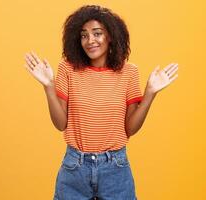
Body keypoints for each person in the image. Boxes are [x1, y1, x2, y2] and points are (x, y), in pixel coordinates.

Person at [24, 5, 178, 200]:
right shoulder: (67, 69)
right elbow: (60, 124)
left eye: (97, 34)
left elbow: (130, 128)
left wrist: (150, 94)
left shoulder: (129, 72)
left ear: (111, 36)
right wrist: (48, 86)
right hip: (75, 168)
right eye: (84, 35)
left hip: (116, 168)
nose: (90, 41)